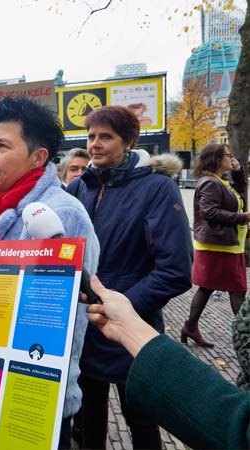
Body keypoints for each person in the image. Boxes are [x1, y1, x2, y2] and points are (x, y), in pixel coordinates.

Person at [0, 97, 99, 450]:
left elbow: (46, 319)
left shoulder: (62, 215)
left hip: (29, 392)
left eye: (1, 145)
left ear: (38, 157)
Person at [67, 105, 192, 449]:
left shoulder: (156, 189)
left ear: (129, 141)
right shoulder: (81, 188)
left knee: (142, 422)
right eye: (91, 136)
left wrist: (121, 308)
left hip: (133, 330)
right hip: (86, 330)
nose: (95, 144)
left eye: (105, 136)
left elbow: (175, 270)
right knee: (88, 421)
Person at [85, 275, 250, 450]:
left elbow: (175, 271)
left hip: (125, 349)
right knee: (92, 412)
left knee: (141, 424)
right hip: (101, 337)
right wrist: (125, 325)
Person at [183, 143, 249, 348]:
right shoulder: (210, 183)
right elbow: (209, 213)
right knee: (237, 289)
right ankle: (245, 338)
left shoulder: (221, 180)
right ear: (217, 159)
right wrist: (243, 217)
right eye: (229, 155)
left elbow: (240, 198)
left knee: (208, 287)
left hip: (225, 244)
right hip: (219, 246)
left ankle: (190, 327)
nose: (232, 158)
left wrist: (238, 172)